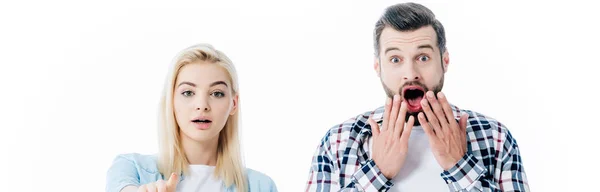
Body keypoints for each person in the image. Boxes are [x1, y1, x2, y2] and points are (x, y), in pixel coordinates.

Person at [305, 3, 529, 191]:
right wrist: (377, 172)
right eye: (395, 59)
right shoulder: (337, 142)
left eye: (423, 57)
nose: (410, 73)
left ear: (445, 61)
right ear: (377, 67)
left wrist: (459, 166)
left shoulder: (495, 137)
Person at [106, 44, 278, 192]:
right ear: (171, 101)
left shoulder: (261, 186)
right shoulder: (131, 168)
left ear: (234, 103)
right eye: (188, 92)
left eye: (217, 93)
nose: (202, 105)